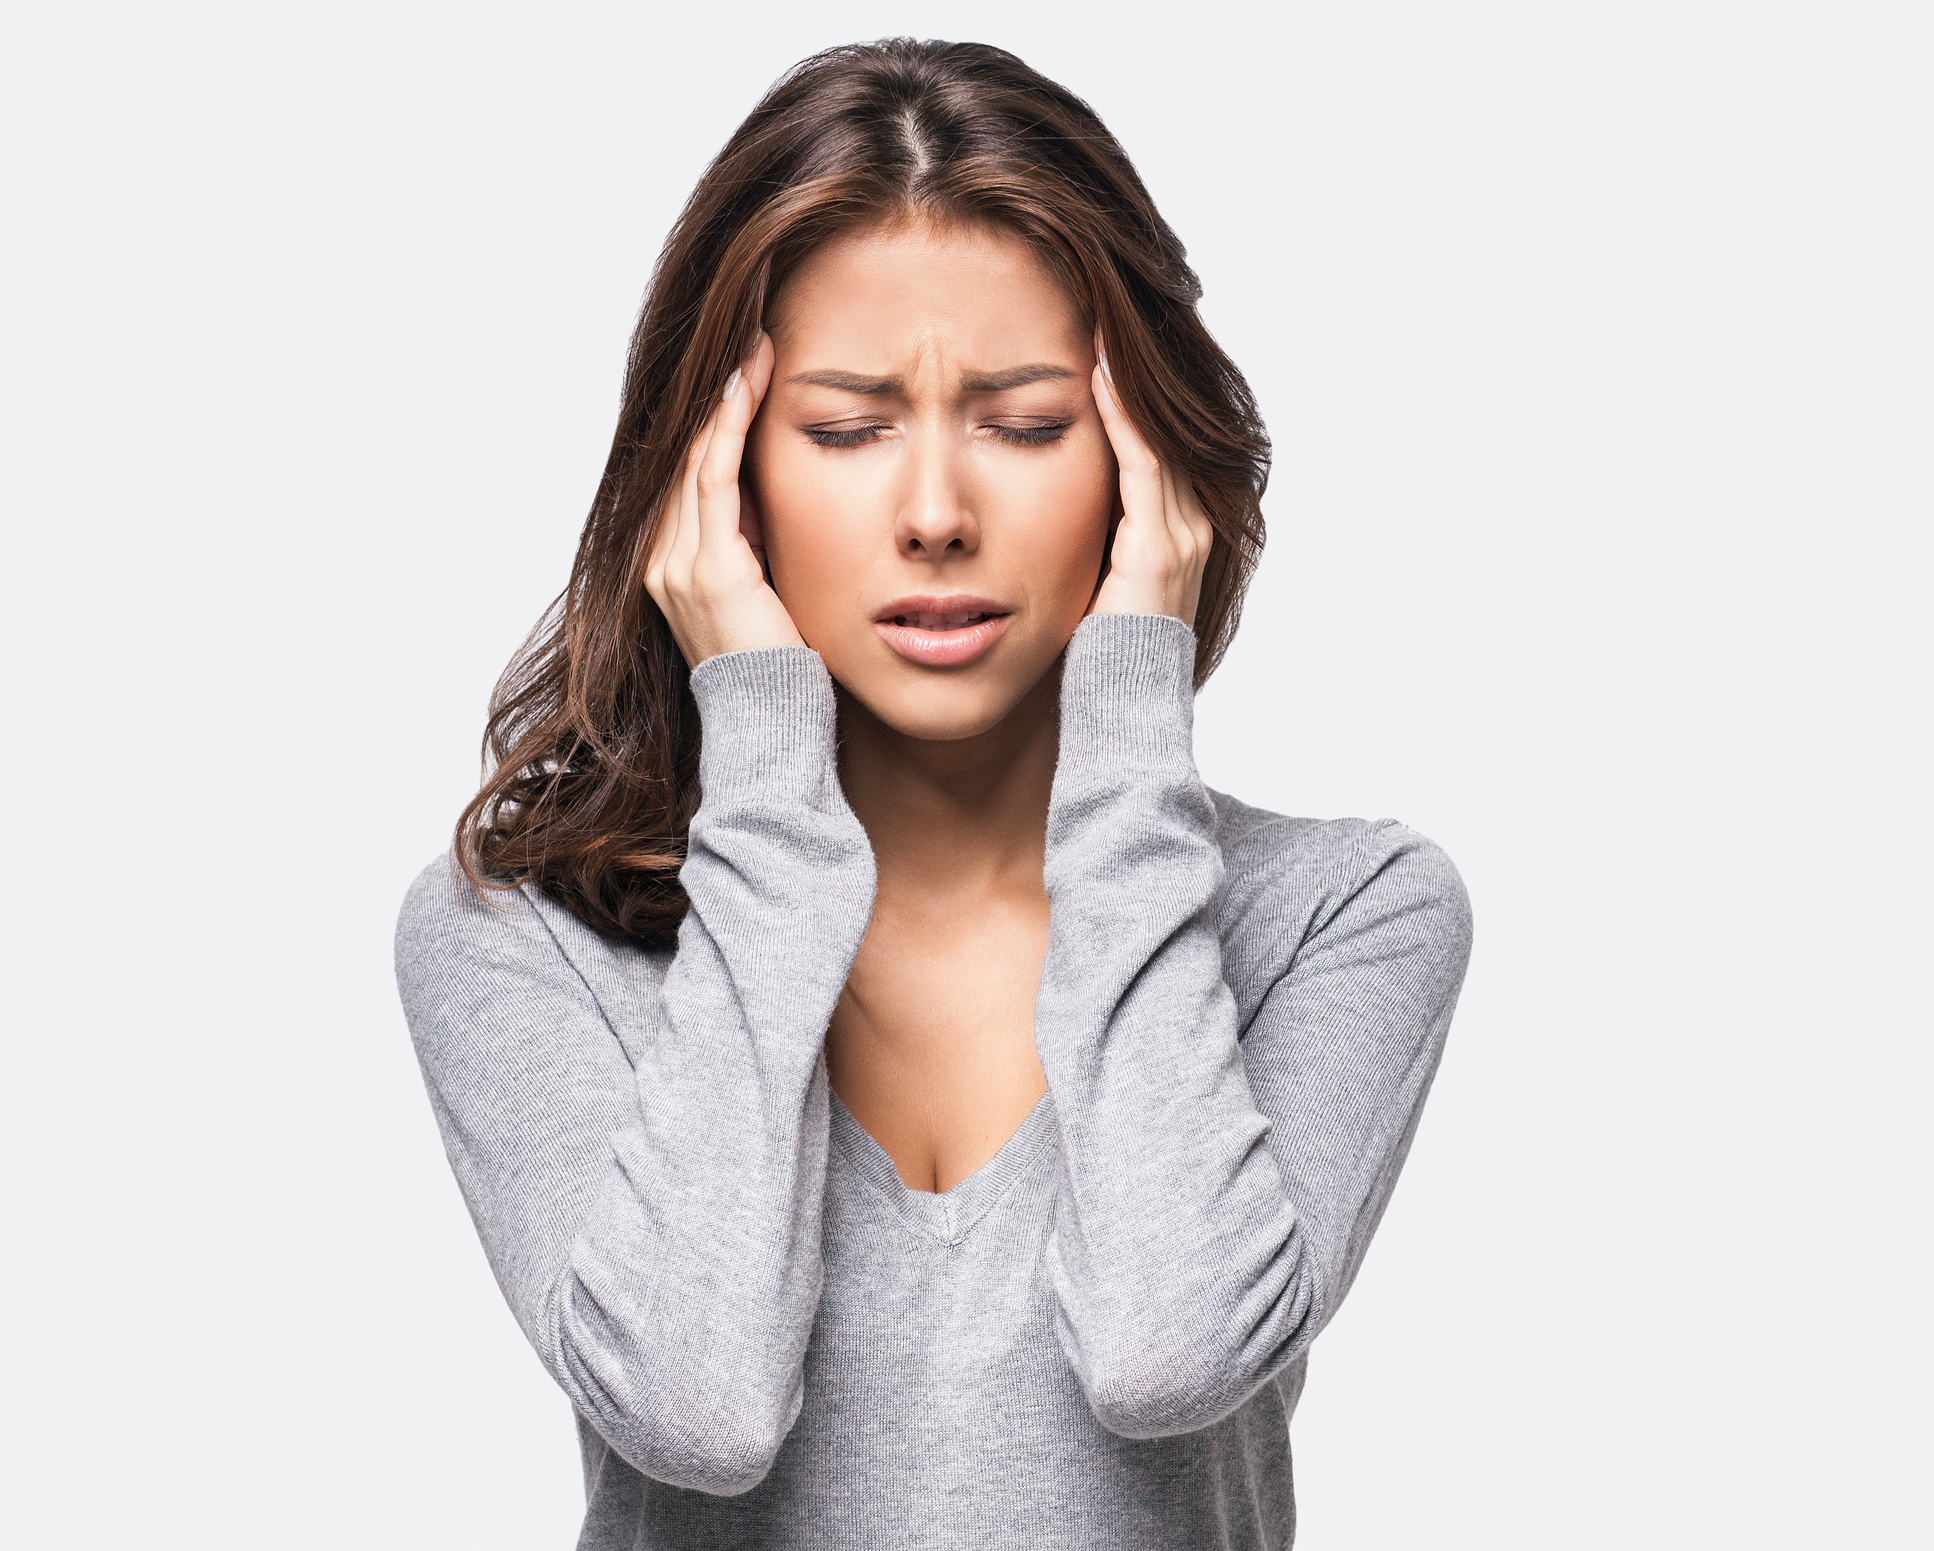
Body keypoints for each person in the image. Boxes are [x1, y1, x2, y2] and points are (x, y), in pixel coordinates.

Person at [395, 38, 1472, 1550]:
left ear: (1143, 461)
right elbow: (692, 1410)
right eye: (843, 430)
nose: (935, 514)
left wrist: (1128, 717)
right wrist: (762, 783)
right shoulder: (524, 938)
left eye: (1026, 423)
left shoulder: (1342, 916)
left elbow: (1173, 1356)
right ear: (719, 472)